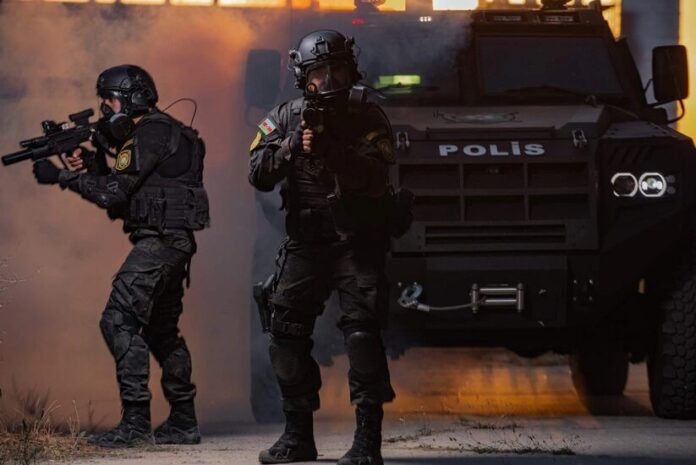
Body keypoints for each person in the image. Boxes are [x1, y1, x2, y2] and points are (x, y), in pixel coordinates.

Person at [32, 64, 210, 448]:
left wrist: (63, 176)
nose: (105, 109)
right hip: (172, 243)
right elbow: (126, 196)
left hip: (160, 244)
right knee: (161, 332)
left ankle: (135, 424)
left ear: (131, 98)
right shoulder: (171, 131)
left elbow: (113, 193)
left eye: (109, 101)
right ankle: (183, 421)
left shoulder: (150, 132)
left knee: (117, 320)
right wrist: (92, 164)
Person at [249, 30, 397, 465]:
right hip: (307, 240)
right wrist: (292, 147)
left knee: (362, 334)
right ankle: (297, 436)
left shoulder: (366, 114)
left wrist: (336, 154)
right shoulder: (285, 117)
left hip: (356, 240)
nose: (329, 80)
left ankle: (367, 441)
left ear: (351, 72)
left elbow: (375, 178)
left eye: (337, 70)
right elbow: (257, 173)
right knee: (284, 333)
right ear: (303, 77)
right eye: (319, 72)